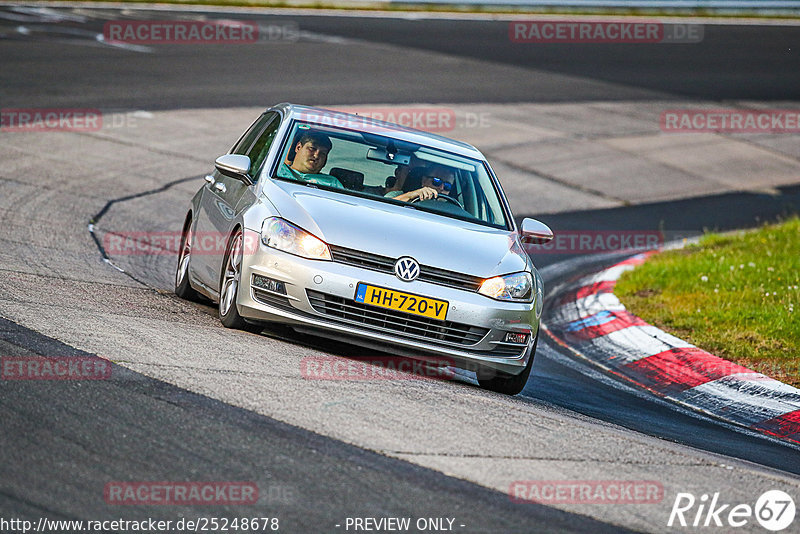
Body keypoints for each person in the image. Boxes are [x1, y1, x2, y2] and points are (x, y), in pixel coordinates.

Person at [277, 130, 344, 189]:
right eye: (312, 148)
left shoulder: (332, 183)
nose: (316, 155)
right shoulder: (276, 170)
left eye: (323, 153)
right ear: (298, 147)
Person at [385, 164, 456, 203]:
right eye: (437, 181)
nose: (441, 188)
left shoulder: (454, 210)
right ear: (424, 180)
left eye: (447, 186)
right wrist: (410, 196)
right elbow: (383, 208)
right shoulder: (400, 195)